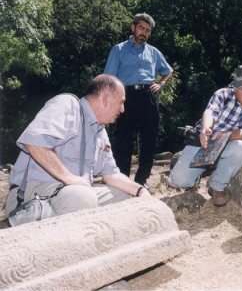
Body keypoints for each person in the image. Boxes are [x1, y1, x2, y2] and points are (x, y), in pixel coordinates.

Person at [5, 74, 150, 219]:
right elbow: (35, 142)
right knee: (84, 198)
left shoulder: (100, 132)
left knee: (122, 196)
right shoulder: (66, 105)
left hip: (71, 194)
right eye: (121, 102)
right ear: (106, 97)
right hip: (31, 195)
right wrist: (69, 178)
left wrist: (139, 190)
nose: (123, 109)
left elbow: (111, 174)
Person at [170, 65, 242, 208]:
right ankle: (194, 178)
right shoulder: (222, 94)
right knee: (178, 180)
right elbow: (210, 113)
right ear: (235, 88)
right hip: (205, 143)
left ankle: (216, 186)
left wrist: (227, 135)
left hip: (230, 146)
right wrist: (206, 129)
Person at [104, 13, 173, 186]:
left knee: (149, 139)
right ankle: (123, 179)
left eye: (148, 31)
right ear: (133, 27)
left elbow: (168, 71)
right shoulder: (119, 50)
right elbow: (109, 77)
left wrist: (161, 83)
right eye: (141, 28)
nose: (144, 33)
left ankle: (142, 180)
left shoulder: (153, 52)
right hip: (125, 97)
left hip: (148, 96)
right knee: (123, 140)